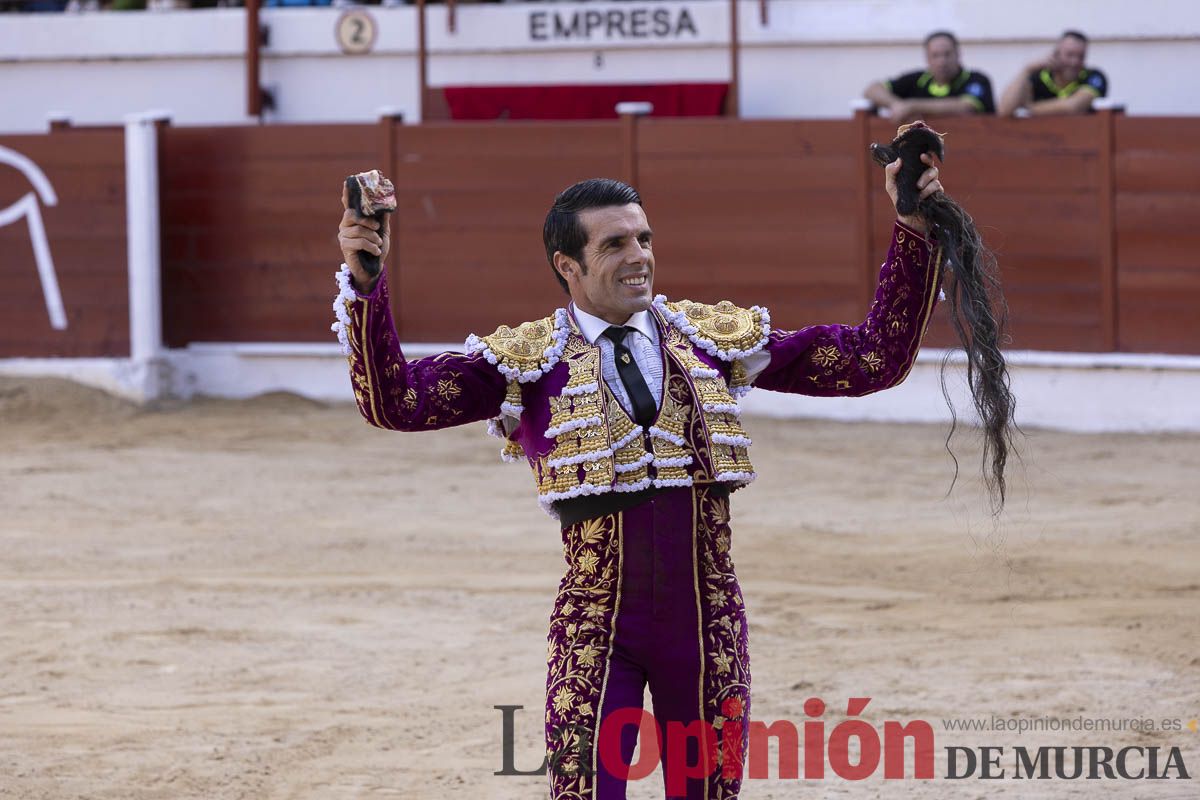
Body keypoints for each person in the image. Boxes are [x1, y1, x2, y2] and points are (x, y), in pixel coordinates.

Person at [333, 153, 945, 798]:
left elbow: (873, 359)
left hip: (707, 621)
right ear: (568, 265)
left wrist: (913, 228)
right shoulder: (528, 362)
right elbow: (395, 403)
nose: (640, 256)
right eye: (616, 244)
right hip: (596, 625)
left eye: (645, 239)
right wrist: (367, 285)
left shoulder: (710, 340)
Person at [864, 31, 995, 123]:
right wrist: (896, 104)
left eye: (947, 54)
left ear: (958, 54)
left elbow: (966, 107)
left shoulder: (977, 79)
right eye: (935, 55)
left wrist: (912, 106)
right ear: (927, 58)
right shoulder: (917, 79)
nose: (942, 61)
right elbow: (872, 89)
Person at [998, 30, 1108, 117]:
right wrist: (1026, 70)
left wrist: (1028, 108)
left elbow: (1073, 107)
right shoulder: (1039, 76)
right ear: (1056, 54)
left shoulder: (1094, 76)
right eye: (1069, 55)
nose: (1075, 62)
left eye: (1081, 57)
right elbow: (1004, 110)